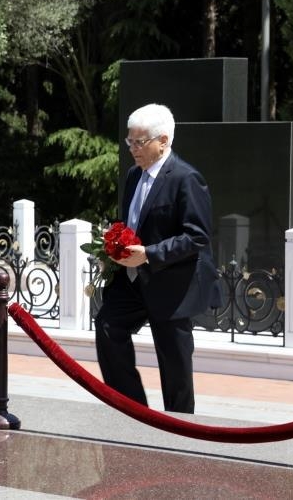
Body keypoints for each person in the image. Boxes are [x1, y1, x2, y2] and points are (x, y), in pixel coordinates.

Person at [95, 103, 221, 413]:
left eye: (140, 142)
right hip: (134, 281)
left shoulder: (187, 178)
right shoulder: (132, 177)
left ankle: (178, 430)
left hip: (172, 283)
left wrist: (149, 254)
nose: (133, 148)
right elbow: (134, 222)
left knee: (174, 363)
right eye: (130, 141)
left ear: (163, 141)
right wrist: (114, 244)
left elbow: (197, 236)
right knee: (108, 327)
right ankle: (134, 411)